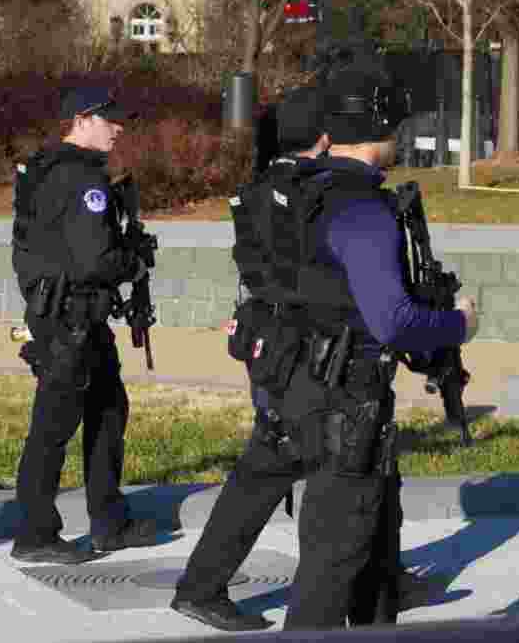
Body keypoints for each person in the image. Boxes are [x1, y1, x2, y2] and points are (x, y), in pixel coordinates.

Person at [170, 61, 479, 631]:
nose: (402, 139)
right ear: (382, 132)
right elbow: (394, 321)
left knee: (340, 533)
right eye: (399, 129)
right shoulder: (362, 207)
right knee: (333, 557)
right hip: (342, 399)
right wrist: (459, 324)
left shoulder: (296, 191)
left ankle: (381, 593)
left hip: (291, 379)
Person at [9, 86, 161, 564]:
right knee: (54, 426)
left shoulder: (50, 168)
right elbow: (95, 259)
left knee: (108, 410)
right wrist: (133, 264)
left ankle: (109, 521)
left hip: (75, 317)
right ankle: (35, 534)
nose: (119, 128)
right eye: (110, 119)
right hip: (69, 318)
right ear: (82, 119)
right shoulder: (80, 179)